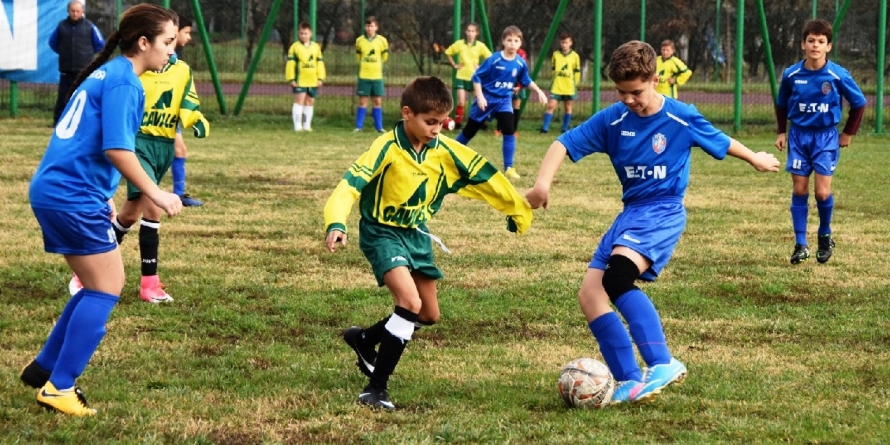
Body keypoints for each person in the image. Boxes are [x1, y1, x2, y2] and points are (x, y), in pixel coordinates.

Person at [525, 40, 779, 405]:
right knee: (590, 296)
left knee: (617, 278)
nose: (629, 100)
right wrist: (541, 185)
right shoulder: (613, 119)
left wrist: (755, 158)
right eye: (621, 92)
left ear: (655, 80)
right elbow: (562, 143)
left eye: (636, 92)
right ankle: (630, 380)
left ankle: (662, 362)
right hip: (630, 213)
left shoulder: (679, 116)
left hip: (662, 211)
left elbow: (721, 140)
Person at [324, 76, 533, 410]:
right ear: (407, 113)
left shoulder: (444, 150)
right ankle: (376, 389)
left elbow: (485, 176)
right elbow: (349, 185)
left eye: (442, 122)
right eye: (430, 122)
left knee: (429, 314)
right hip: (382, 232)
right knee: (409, 302)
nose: (437, 129)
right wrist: (336, 222)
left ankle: (364, 338)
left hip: (417, 234)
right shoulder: (386, 147)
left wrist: (516, 208)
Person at [20, 4, 181, 416]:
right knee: (107, 287)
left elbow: (85, 142)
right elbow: (117, 149)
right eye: (167, 42)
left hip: (57, 191)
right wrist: (156, 193)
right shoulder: (126, 82)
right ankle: (60, 387)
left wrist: (104, 192)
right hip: (71, 196)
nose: (172, 50)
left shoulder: (109, 73)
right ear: (142, 42)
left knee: (96, 284)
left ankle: (44, 367)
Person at [105, 11, 210, 304]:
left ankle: (91, 262)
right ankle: (149, 284)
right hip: (138, 143)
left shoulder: (182, 71)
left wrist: (196, 119)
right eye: (167, 40)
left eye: (173, 40)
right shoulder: (136, 71)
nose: (171, 47)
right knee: (154, 207)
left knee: (129, 215)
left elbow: (188, 102)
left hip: (164, 146)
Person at [775, 19, 866, 265]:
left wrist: (848, 133)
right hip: (798, 136)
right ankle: (800, 244)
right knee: (800, 190)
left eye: (821, 41)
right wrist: (781, 132)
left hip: (825, 137)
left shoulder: (837, 74)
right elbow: (781, 104)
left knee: (822, 192)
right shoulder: (792, 74)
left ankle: (824, 235)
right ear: (803, 44)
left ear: (829, 46)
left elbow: (859, 103)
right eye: (811, 40)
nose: (816, 45)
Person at [456, 26, 546, 180]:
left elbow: (526, 80)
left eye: (516, 41)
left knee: (509, 130)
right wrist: (480, 97)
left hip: (504, 101)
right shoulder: (494, 59)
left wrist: (539, 91)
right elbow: (477, 77)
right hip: (486, 98)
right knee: (469, 131)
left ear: (520, 43)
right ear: (503, 41)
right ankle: (449, 153)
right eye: (509, 40)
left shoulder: (520, 63)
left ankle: (508, 167)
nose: (512, 44)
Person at [49, 1, 104, 126]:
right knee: (63, 96)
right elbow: (53, 43)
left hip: (84, 70)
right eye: (72, 11)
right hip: (66, 69)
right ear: (68, 11)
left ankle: (85, 122)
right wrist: (64, 52)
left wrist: (86, 54)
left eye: (77, 11)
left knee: (85, 95)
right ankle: (58, 121)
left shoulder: (90, 26)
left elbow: (100, 44)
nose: (75, 13)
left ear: (82, 11)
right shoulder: (61, 26)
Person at [170, 14, 205, 207]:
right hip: (159, 114)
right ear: (175, 32)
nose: (189, 37)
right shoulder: (166, 56)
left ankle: (179, 194)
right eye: (186, 32)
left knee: (179, 150)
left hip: (171, 113)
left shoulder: (173, 56)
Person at [444, 22, 492, 131]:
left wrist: (481, 67)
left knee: (478, 100)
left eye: (473, 31)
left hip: (475, 78)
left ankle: (481, 123)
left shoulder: (480, 45)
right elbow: (448, 52)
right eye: (469, 31)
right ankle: (458, 124)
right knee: (461, 101)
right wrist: (454, 64)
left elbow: (490, 58)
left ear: (476, 33)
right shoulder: (460, 44)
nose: (470, 33)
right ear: (465, 32)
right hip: (461, 76)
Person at [286, 22, 326, 132]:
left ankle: (306, 125)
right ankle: (297, 126)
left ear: (310, 34)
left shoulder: (316, 47)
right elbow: (290, 65)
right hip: (300, 80)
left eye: (305, 33)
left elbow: (320, 64)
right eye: (301, 33)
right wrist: (291, 79)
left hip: (312, 80)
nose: (303, 36)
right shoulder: (294, 47)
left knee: (309, 102)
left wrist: (320, 78)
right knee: (299, 102)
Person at [540, 32, 581, 134]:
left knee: (568, 107)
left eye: (566, 42)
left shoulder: (575, 56)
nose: (564, 45)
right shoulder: (556, 55)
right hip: (557, 86)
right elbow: (553, 69)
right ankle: (544, 128)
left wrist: (575, 83)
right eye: (562, 42)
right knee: (551, 106)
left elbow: (577, 72)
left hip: (569, 87)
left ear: (570, 43)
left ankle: (564, 128)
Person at [353, 16, 389, 133]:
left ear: (376, 27)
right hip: (364, 76)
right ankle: (358, 127)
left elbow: (384, 57)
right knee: (362, 101)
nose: (369, 28)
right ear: (365, 27)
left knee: (377, 101)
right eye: (367, 26)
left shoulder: (382, 41)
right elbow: (359, 57)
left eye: (372, 26)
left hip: (377, 76)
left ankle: (379, 127)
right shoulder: (359, 41)